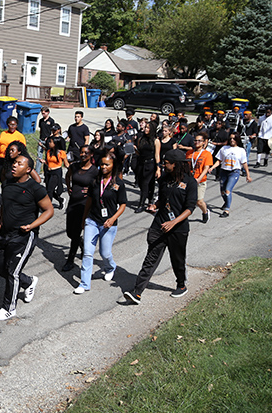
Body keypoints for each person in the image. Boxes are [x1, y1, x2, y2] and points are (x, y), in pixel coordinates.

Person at [121, 150, 197, 304]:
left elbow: (190, 208)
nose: (163, 164)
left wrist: (173, 222)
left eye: (166, 162)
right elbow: (163, 199)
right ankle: (137, 292)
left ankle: (181, 285)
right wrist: (154, 205)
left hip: (178, 229)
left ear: (175, 164)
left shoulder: (190, 182)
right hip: (159, 224)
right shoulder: (164, 179)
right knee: (151, 258)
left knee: (177, 259)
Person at [0, 154, 54, 321]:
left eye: (19, 164)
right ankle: (28, 282)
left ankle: (9, 308)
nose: (14, 165)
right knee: (1, 270)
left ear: (28, 170)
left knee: (12, 272)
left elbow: (49, 210)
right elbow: (4, 204)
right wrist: (1, 221)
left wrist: (32, 226)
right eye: (14, 163)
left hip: (23, 236)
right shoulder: (6, 183)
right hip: (4, 233)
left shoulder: (36, 189)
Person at [74, 154, 127, 294]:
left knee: (105, 253)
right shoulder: (95, 181)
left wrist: (112, 219)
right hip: (92, 221)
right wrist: (84, 219)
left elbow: (122, 205)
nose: (103, 167)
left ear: (113, 166)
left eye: (107, 164)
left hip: (108, 224)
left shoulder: (118, 184)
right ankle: (84, 283)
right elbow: (90, 201)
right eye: (102, 164)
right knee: (87, 253)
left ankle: (110, 267)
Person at [63, 145, 98, 271]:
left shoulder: (94, 171)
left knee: (76, 232)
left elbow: (98, 186)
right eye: (82, 152)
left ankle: (70, 260)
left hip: (84, 204)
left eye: (86, 153)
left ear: (91, 155)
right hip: (73, 202)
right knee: (69, 232)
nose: (83, 155)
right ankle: (81, 243)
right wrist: (68, 187)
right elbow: (68, 176)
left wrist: (91, 191)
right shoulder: (75, 166)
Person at [211, 133, 252, 218]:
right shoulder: (224, 148)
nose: (232, 140)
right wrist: (212, 168)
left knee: (227, 190)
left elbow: (244, 163)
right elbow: (219, 160)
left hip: (234, 172)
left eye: (234, 138)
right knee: (222, 191)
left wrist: (248, 175)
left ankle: (227, 210)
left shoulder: (241, 150)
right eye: (230, 138)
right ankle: (226, 202)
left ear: (237, 139)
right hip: (224, 171)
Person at [187, 132, 213, 223]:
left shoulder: (207, 154)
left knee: (199, 201)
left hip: (200, 180)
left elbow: (206, 168)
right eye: (195, 140)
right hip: (190, 179)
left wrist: (198, 179)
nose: (197, 142)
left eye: (199, 141)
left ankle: (205, 212)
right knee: (186, 200)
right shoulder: (189, 153)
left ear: (203, 142)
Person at [0, 116, 26, 183]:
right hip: (2, 159)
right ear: (7, 125)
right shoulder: (3, 133)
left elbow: (23, 150)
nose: (12, 126)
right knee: (2, 178)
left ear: (16, 125)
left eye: (14, 125)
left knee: (10, 178)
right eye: (10, 124)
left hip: (11, 160)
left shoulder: (19, 136)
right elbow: (0, 147)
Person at [134, 122, 159, 213]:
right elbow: (139, 153)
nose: (146, 129)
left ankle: (141, 204)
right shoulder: (141, 139)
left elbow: (157, 155)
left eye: (148, 128)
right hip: (141, 163)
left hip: (150, 164)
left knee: (146, 183)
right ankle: (150, 199)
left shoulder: (155, 141)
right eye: (145, 128)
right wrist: (135, 149)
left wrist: (158, 168)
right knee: (142, 183)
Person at [41, 135, 69, 209]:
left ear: (55, 144)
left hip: (56, 172)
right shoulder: (49, 151)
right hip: (49, 172)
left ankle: (48, 207)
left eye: (51, 142)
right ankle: (61, 200)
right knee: (49, 189)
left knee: (49, 190)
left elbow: (66, 164)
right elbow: (48, 162)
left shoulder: (61, 153)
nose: (49, 143)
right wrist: (44, 162)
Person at [36, 107, 55, 175]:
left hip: (48, 141)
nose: (43, 114)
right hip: (41, 139)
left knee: (47, 156)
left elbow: (53, 132)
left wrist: (49, 138)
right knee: (39, 156)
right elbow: (41, 130)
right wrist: (40, 138)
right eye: (42, 113)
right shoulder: (41, 120)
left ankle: (47, 172)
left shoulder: (51, 121)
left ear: (48, 112)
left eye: (44, 113)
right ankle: (37, 172)